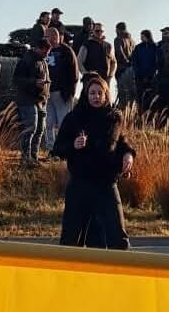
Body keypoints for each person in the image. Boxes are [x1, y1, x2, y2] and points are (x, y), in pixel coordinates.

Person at [52, 73, 135, 249]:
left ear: (106, 95)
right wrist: (73, 145)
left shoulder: (113, 117)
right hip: (80, 183)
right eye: (92, 93)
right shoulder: (74, 118)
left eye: (100, 93)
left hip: (106, 183)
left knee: (117, 236)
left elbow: (119, 140)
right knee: (71, 237)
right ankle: (68, 273)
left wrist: (128, 154)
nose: (96, 97)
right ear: (86, 95)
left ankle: (120, 273)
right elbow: (58, 148)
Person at [14, 37, 51, 166]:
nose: (47, 54)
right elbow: (17, 80)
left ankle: (33, 158)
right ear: (38, 48)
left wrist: (46, 93)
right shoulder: (26, 60)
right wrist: (34, 82)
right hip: (27, 100)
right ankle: (25, 158)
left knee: (40, 129)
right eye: (45, 51)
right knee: (31, 128)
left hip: (41, 100)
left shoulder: (43, 62)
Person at [44, 28, 79, 149]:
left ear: (54, 37)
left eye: (46, 36)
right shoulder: (45, 50)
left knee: (63, 122)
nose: (44, 39)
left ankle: (64, 148)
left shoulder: (66, 51)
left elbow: (74, 73)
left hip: (62, 92)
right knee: (48, 123)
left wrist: (70, 92)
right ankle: (51, 148)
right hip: (47, 93)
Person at [132, 29, 160, 111]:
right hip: (140, 78)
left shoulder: (155, 47)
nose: (141, 38)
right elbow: (134, 61)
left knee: (151, 97)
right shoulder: (138, 48)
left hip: (152, 78)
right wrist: (138, 73)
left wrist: (152, 74)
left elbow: (157, 62)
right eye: (141, 36)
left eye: (143, 36)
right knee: (141, 98)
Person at [113, 23, 136, 106]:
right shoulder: (132, 41)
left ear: (118, 29)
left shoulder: (118, 39)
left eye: (116, 29)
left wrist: (126, 62)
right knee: (131, 95)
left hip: (121, 69)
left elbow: (119, 53)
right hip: (132, 70)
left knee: (122, 95)